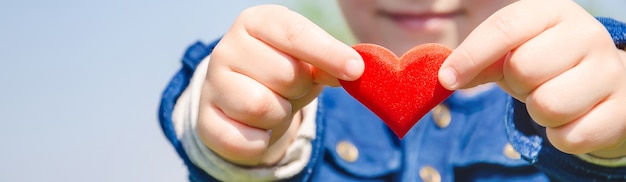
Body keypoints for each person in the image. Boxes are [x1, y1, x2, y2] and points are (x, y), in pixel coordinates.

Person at [159, 0, 626, 181]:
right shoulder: (300, 113)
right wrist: (240, 130)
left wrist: (613, 141)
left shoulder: (574, 104)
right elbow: (231, 137)